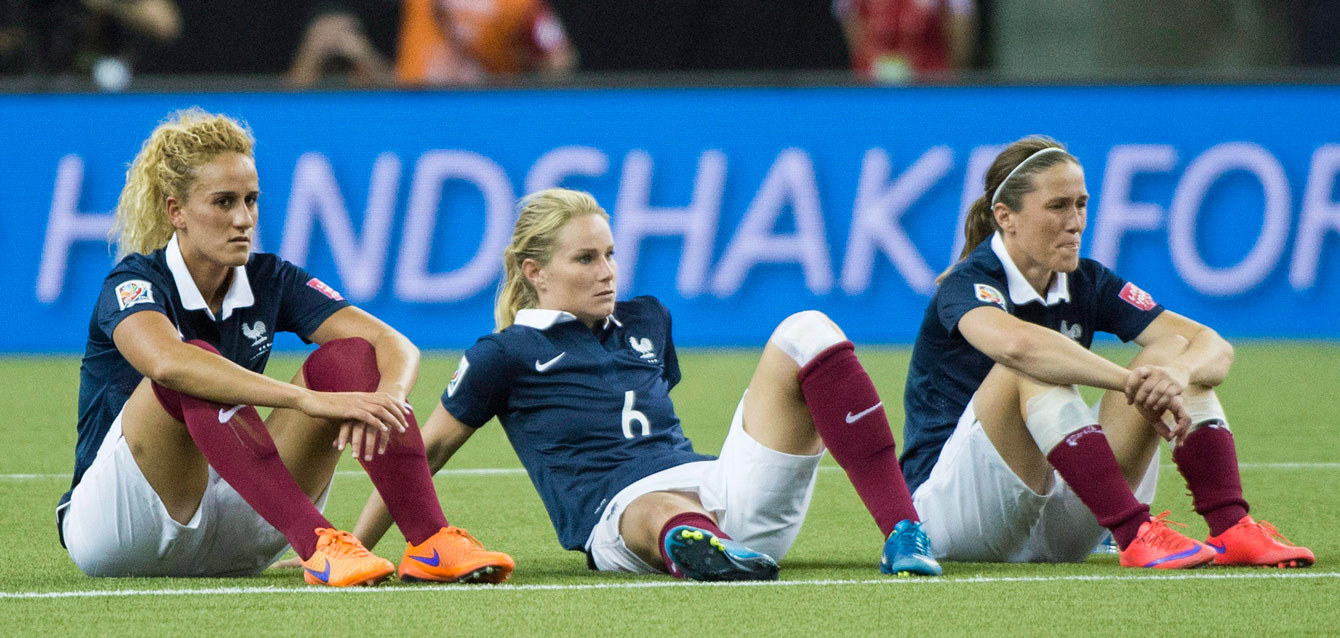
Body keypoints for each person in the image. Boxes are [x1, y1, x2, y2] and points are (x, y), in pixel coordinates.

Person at [349, 187, 941, 580]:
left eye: (609, 254)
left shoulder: (647, 319)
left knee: (806, 328)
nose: (607, 272)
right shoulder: (504, 355)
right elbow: (422, 453)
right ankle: (697, 549)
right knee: (651, 504)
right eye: (585, 259)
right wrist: (357, 544)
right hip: (620, 521)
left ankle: (903, 532)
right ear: (536, 273)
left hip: (722, 490)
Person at [56, 108, 514, 586]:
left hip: (240, 526)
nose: (243, 219)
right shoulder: (134, 281)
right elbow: (168, 363)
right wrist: (304, 399)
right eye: (223, 202)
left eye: (251, 200)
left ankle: (430, 542)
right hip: (123, 526)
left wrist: (390, 397)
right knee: (196, 366)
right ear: (177, 212)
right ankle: (317, 542)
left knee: (350, 358)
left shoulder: (270, 277)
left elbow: (391, 344)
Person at [900, 135, 1315, 569]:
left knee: (1171, 351)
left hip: (1058, 521)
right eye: (1058, 206)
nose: (1076, 221)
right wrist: (1128, 381)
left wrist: (1178, 373)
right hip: (950, 518)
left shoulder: (1087, 280)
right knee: (1027, 365)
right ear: (1006, 217)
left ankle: (1230, 526)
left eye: (1081, 204)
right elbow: (1018, 346)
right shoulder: (967, 282)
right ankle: (1133, 531)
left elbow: (1214, 347)